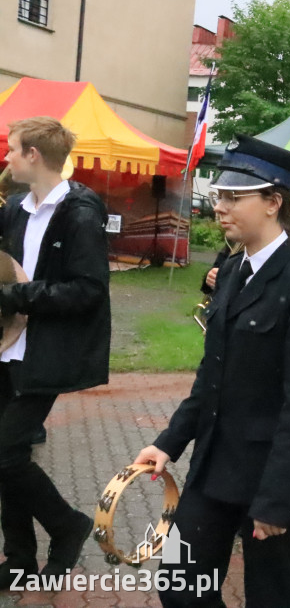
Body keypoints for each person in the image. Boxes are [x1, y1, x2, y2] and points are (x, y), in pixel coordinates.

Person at [134, 135, 290, 608]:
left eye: (233, 197)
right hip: (217, 461)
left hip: (274, 472)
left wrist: (275, 500)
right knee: (181, 588)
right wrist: (169, 442)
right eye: (218, 195)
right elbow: (212, 375)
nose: (219, 207)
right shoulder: (230, 271)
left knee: (269, 598)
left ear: (273, 202)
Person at [0, 117, 110, 586]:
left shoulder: (80, 211)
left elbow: (87, 290)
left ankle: (68, 525)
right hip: (7, 347)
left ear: (33, 156)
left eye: (11, 150)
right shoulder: (14, 207)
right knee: (11, 457)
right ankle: (20, 559)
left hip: (46, 351)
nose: (5, 158)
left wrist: (13, 296)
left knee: (4, 453)